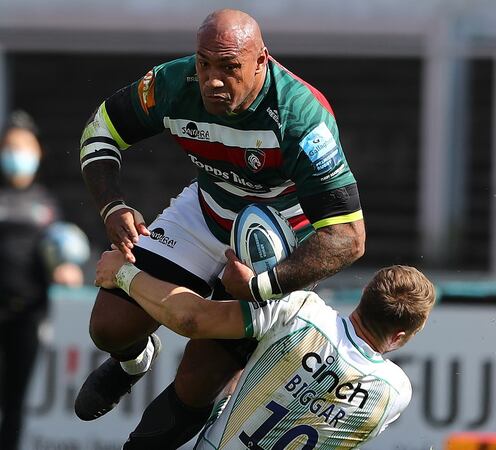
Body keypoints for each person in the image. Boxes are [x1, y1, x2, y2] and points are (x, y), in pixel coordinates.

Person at [75, 8, 366, 447]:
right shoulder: (173, 84)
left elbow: (348, 237)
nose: (213, 79)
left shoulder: (302, 116)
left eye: (229, 67)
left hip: (276, 242)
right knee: (109, 327)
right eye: (204, 63)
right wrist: (112, 206)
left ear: (261, 61)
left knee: (198, 382)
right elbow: (100, 132)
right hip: (205, 209)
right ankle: (134, 362)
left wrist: (265, 284)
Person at [93, 247, 434, 449]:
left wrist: (122, 274)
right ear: (402, 335)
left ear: (364, 296)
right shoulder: (394, 393)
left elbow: (191, 318)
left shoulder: (301, 310)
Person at [0, 111, 85, 449]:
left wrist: (64, 266)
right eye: (10, 147)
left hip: (27, 314)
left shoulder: (46, 204)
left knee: (15, 400)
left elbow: (57, 251)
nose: (16, 155)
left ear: (37, 153)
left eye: (23, 147)